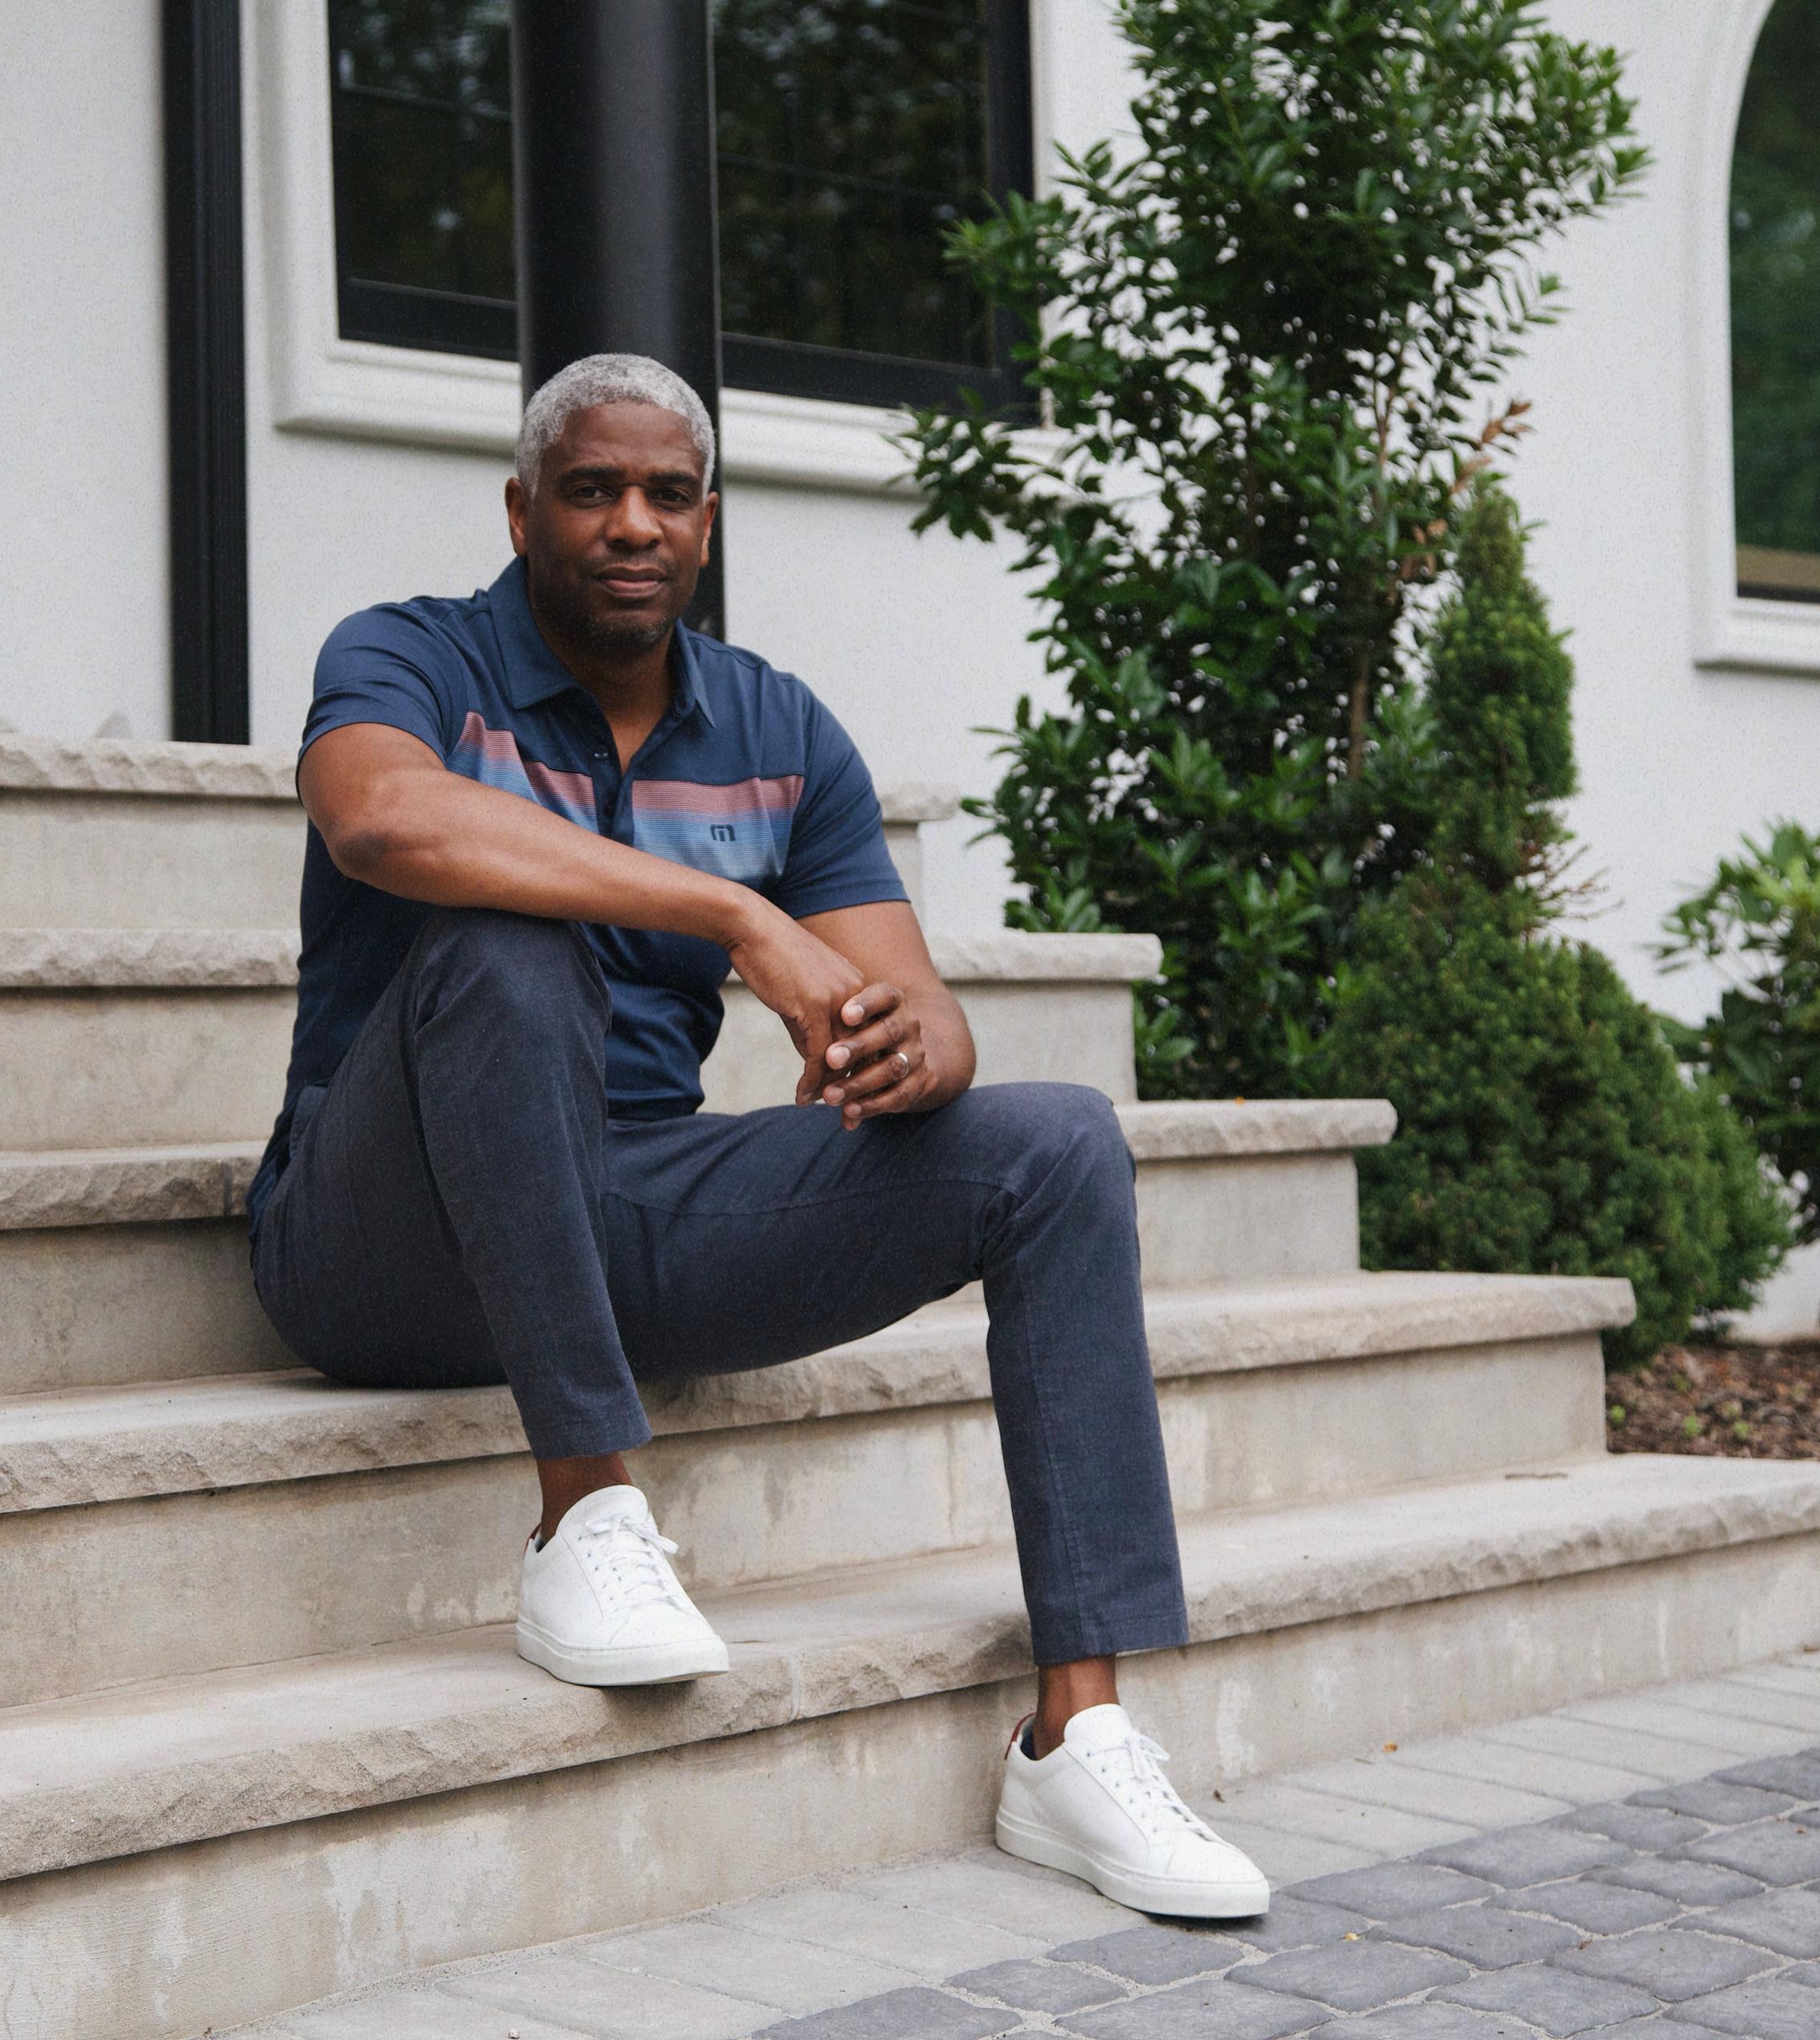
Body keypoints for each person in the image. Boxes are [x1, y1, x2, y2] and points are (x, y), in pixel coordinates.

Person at [245, 352, 1269, 1920]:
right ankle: (588, 1504)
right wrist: (735, 916)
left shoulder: (778, 727)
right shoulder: (409, 656)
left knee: (1053, 1139)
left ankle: (1080, 1727)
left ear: (707, 522)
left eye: (667, 493)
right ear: (524, 511)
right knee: (506, 943)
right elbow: (383, 820)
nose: (631, 522)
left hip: (636, 1206)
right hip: (380, 1238)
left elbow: (924, 1008)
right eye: (592, 490)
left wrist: (899, 1044)